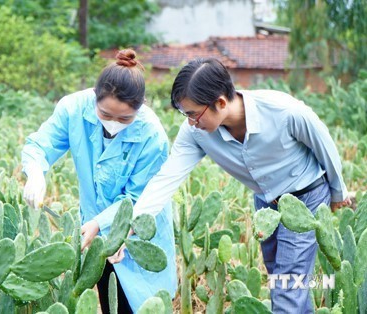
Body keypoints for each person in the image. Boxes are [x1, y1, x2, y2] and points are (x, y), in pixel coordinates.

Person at [109, 58, 351, 313]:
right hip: (266, 205)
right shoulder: (195, 133)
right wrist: (131, 226)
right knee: (282, 279)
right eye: (185, 114)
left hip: (306, 198)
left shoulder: (284, 111)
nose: (190, 122)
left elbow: (324, 146)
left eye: (193, 113)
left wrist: (338, 192)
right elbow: (166, 179)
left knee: (288, 288)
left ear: (221, 102)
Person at [21, 49, 177, 312]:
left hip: (139, 231)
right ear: (95, 98)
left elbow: (137, 199)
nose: (114, 123)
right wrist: (35, 174)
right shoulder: (73, 109)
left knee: (143, 305)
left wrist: (101, 224)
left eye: (124, 118)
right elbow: (40, 145)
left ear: (140, 107)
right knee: (110, 302)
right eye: (105, 114)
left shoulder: (152, 135)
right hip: (94, 227)